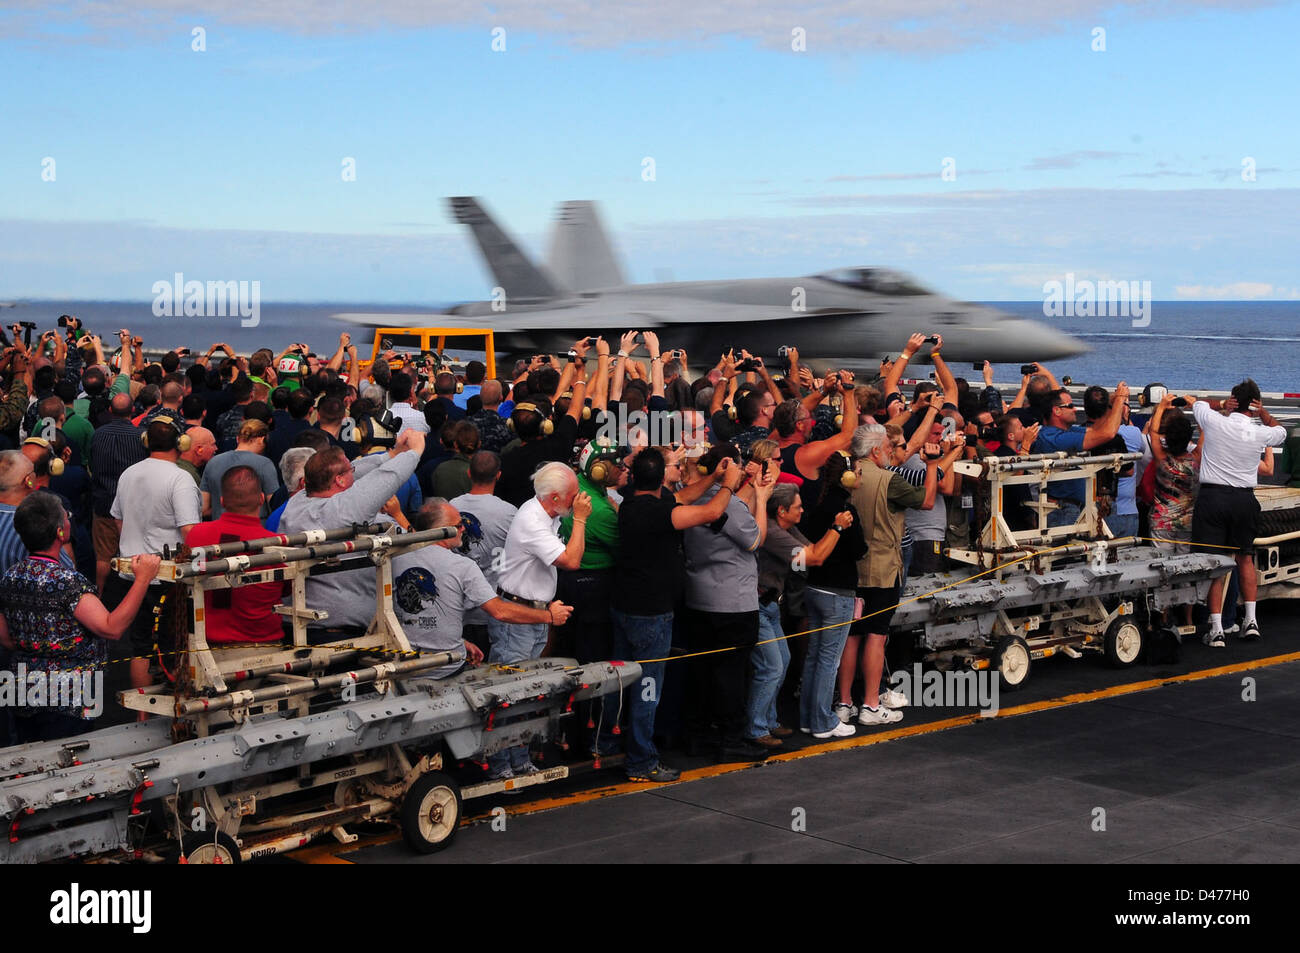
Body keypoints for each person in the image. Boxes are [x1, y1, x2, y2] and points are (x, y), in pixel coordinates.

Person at [608, 447, 744, 781]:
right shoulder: (657, 513)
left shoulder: (631, 505)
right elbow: (711, 512)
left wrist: (712, 477)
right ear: (659, 479)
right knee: (648, 689)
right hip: (652, 615)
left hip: (626, 607)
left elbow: (681, 497)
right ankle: (641, 761)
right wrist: (728, 484)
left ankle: (609, 745)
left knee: (621, 684)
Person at [0, 492, 161, 742]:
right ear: (60, 533)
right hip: (70, 693)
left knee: (29, 761)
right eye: (67, 518)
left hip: (21, 687)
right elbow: (112, 628)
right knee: (70, 763)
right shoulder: (67, 582)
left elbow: (7, 640)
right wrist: (142, 579)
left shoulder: (10, 576)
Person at [840, 427, 955, 726]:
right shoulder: (889, 480)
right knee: (876, 638)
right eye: (888, 447)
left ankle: (844, 703)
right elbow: (928, 501)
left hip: (850, 570)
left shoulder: (845, 474)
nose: (892, 452)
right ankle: (871, 704)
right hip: (882, 568)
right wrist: (932, 465)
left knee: (851, 638)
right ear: (875, 450)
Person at [488, 462, 591, 780]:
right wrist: (582, 520)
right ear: (556, 497)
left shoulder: (548, 513)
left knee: (526, 692)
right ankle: (498, 765)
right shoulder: (533, 520)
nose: (577, 501)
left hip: (533, 611)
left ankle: (518, 758)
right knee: (507, 693)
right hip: (517, 617)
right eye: (572, 496)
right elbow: (572, 560)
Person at [391, 499, 571, 679]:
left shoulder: (396, 558)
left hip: (403, 666)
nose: (464, 529)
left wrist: (460, 643)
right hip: (445, 670)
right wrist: (549, 616)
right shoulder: (462, 566)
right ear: (442, 530)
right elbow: (499, 611)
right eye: (459, 525)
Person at [277, 428, 425, 639]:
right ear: (339, 480)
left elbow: (360, 470)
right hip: (334, 634)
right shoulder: (341, 510)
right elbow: (379, 482)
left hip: (306, 626)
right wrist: (414, 452)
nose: (355, 472)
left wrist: (393, 454)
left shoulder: (298, 501)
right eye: (350, 470)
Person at [682, 445, 774, 761]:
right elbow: (753, 539)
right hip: (733, 601)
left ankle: (698, 735)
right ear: (725, 466)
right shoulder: (730, 506)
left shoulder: (690, 497)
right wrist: (761, 499)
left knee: (702, 673)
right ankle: (731, 739)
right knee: (732, 676)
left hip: (698, 597)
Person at [747, 482, 854, 747]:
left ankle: (769, 721)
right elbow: (814, 558)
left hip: (770, 604)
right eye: (798, 507)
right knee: (771, 666)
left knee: (782, 661)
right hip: (757, 604)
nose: (803, 510)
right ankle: (756, 727)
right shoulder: (773, 533)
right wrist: (837, 527)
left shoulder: (787, 527)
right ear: (782, 510)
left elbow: (814, 552)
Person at [1188, 381, 1287, 645]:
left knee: (1216, 564)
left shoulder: (1214, 422)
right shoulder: (1258, 432)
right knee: (1245, 558)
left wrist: (1220, 405)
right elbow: (1280, 433)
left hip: (1213, 497)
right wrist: (1263, 413)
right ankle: (1251, 621)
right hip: (1244, 499)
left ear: (1233, 400)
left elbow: (1197, 403)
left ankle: (1217, 628)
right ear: (1254, 406)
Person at [110, 419, 203, 693]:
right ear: (181, 444)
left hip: (132, 574)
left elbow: (117, 519)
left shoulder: (128, 473)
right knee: (174, 646)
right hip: (166, 578)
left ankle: (141, 715)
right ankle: (176, 707)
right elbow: (190, 531)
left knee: (140, 648)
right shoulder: (180, 478)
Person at [800, 449, 867, 738]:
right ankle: (822, 722)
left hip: (813, 588)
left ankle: (808, 717)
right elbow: (859, 550)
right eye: (859, 472)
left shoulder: (816, 503)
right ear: (848, 476)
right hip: (837, 592)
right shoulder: (845, 511)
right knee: (829, 660)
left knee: (814, 657)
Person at [183, 466, 287, 644]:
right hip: (262, 641)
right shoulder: (277, 544)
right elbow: (286, 589)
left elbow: (193, 581)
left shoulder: (197, 535)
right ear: (261, 499)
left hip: (205, 641)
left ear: (222, 501)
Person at [448, 451, 517, 653]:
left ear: (469, 473)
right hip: (493, 605)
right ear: (499, 475)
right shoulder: (509, 512)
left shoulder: (452, 507)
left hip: (456, 606)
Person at [89, 392, 148, 591]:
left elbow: (92, 464)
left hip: (104, 502)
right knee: (135, 554)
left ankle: (100, 594)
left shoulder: (98, 434)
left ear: (111, 411)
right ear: (132, 410)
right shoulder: (140, 436)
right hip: (132, 506)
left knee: (104, 556)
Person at [201, 419, 279, 519]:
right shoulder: (264, 464)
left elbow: (203, 508)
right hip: (256, 530)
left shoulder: (213, 462)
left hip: (222, 528)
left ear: (238, 439)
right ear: (262, 440)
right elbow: (273, 504)